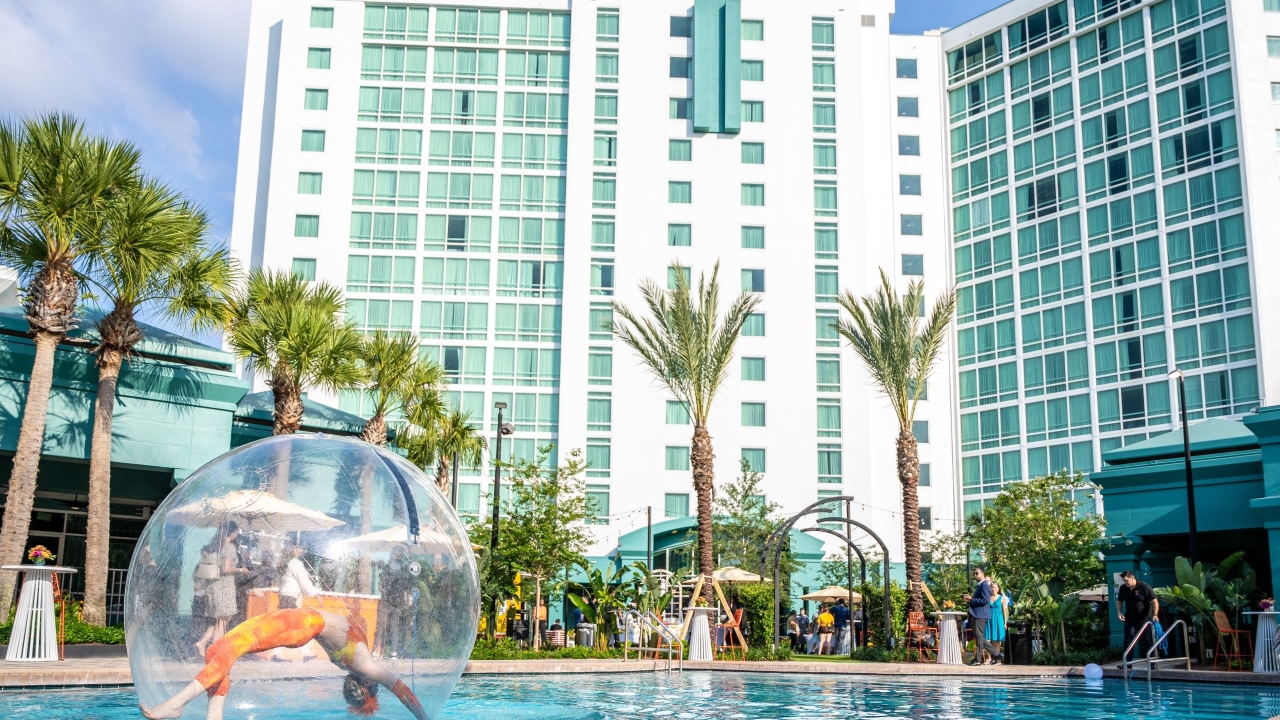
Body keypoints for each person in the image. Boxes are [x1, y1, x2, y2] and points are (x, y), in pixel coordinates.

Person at [141, 608, 427, 720]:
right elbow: (403, 691)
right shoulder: (367, 668)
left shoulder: (366, 668)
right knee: (217, 648)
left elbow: (401, 691)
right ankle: (213, 715)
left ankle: (175, 704)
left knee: (230, 647)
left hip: (303, 624)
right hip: (303, 619)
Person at [195, 522, 249, 657]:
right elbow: (226, 569)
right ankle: (215, 652)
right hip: (224, 586)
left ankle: (202, 642)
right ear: (234, 533)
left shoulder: (215, 545)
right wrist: (241, 569)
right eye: (236, 533)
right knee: (223, 620)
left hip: (212, 586)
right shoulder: (229, 547)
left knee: (220, 619)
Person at [377, 546, 414, 658]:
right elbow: (384, 583)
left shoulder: (400, 567)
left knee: (390, 626)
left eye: (400, 553)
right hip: (392, 600)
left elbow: (385, 583)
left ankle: (389, 651)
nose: (398, 555)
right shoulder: (395, 567)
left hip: (394, 601)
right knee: (386, 626)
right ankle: (383, 651)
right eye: (397, 553)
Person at [963, 567, 1002, 665]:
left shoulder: (984, 585)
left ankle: (978, 659)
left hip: (980, 615)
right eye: (974, 574)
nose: (975, 575)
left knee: (979, 637)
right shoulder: (980, 585)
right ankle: (997, 655)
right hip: (977, 614)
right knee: (980, 638)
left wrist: (972, 599)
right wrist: (970, 600)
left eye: (977, 573)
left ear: (982, 573)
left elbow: (985, 601)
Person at [1117, 570, 1158, 662]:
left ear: (1132, 578)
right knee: (1128, 639)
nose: (1125, 582)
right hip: (1130, 619)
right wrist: (1119, 612)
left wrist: (1155, 614)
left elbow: (1154, 601)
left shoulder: (1144, 587)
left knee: (1148, 640)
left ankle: (1152, 662)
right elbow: (1119, 600)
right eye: (1124, 580)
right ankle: (1127, 663)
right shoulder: (1123, 588)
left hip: (1145, 619)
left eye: (1126, 580)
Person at [278, 542, 321, 610]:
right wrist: (315, 594)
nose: (301, 550)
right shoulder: (295, 563)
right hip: (292, 597)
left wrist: (308, 576)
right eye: (297, 548)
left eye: (301, 548)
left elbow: (292, 576)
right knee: (293, 618)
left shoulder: (286, 562)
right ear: (292, 549)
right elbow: (303, 580)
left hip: (285, 595)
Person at [988, 580, 1008, 658]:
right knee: (987, 640)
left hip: (998, 618)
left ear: (998, 589)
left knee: (997, 639)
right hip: (989, 618)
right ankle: (989, 658)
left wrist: (1005, 622)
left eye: (995, 587)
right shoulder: (988, 597)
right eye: (992, 587)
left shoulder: (1002, 598)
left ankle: (997, 657)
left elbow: (1004, 611)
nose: (993, 589)